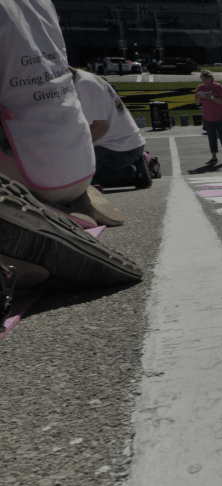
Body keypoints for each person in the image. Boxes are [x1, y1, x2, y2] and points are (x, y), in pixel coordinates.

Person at [0, 0, 142, 287]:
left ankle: (41, 216)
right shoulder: (41, 4)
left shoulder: (89, 83)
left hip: (31, 168)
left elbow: (100, 127)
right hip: (80, 162)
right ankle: (69, 200)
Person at [70, 67, 151, 190]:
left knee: (75, 181)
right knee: (72, 176)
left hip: (120, 147)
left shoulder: (86, 85)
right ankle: (131, 166)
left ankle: (134, 173)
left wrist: (73, 148)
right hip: (120, 144)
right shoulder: (85, 79)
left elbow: (99, 127)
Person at [195, 70, 222, 164]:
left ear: (211, 78)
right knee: (211, 137)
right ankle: (214, 157)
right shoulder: (200, 88)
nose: (204, 82)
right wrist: (199, 97)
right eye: (203, 80)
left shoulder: (218, 87)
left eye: (206, 79)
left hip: (220, 116)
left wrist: (211, 98)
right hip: (208, 117)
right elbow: (197, 103)